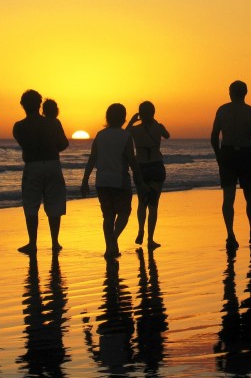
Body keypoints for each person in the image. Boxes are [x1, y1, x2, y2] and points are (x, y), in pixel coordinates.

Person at [81, 104, 146, 259]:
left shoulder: (100, 135)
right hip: (120, 180)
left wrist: (85, 180)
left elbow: (92, 159)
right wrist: (140, 179)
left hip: (102, 181)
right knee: (124, 213)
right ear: (123, 118)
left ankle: (110, 249)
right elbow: (131, 160)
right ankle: (113, 239)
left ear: (107, 117)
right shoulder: (125, 136)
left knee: (108, 216)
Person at [13, 89, 69, 254]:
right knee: (54, 204)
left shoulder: (19, 126)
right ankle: (55, 242)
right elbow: (64, 144)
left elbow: (25, 145)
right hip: (52, 164)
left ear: (23, 105)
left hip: (33, 165)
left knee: (31, 205)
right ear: (39, 105)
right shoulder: (53, 122)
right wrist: (52, 147)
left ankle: (32, 243)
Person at [211, 80, 251, 248]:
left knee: (228, 198)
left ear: (230, 92)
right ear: (246, 92)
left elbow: (214, 136)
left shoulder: (222, 110)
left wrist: (218, 154)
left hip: (227, 153)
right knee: (250, 196)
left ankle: (230, 235)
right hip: (246, 154)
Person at [127, 101, 170, 249]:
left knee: (141, 202)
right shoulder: (158, 127)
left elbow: (125, 135)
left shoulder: (135, 130)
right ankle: (150, 239)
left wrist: (132, 121)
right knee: (153, 205)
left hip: (141, 168)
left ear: (140, 113)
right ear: (153, 112)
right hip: (156, 166)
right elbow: (167, 135)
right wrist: (157, 123)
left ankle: (140, 230)